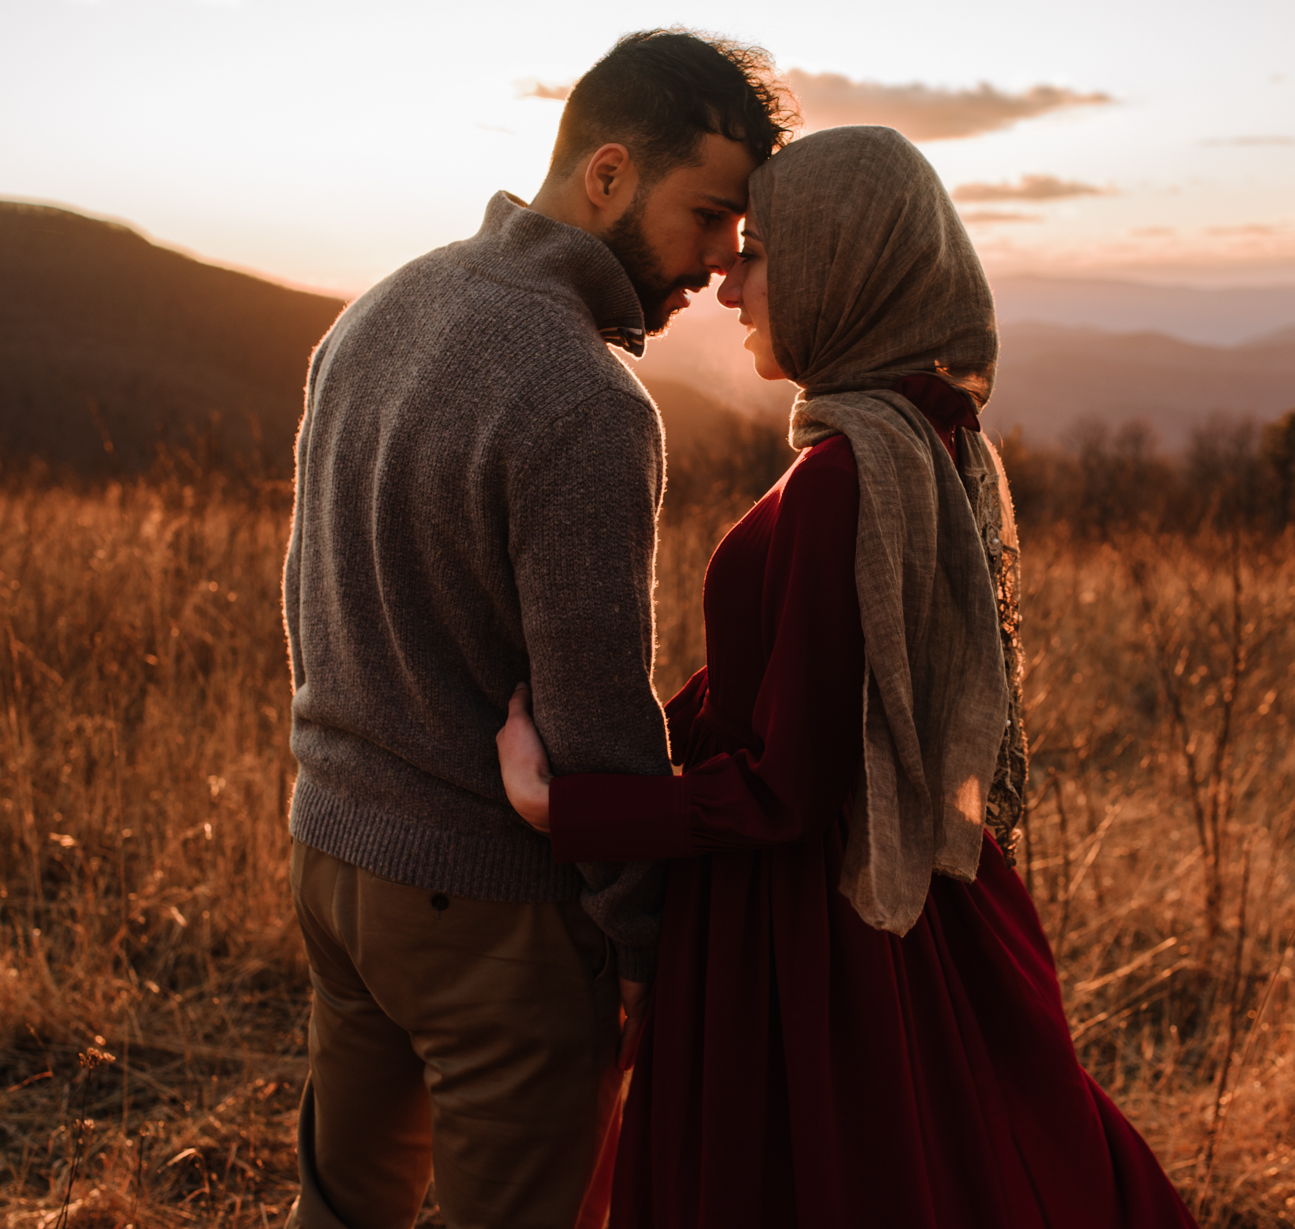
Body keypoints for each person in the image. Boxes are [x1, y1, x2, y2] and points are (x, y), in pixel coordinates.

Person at [498, 125, 1201, 1228]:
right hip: (887, 906)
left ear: (846, 266)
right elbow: (794, 680)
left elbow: (789, 782)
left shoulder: (847, 472)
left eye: (762, 254)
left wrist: (567, 801)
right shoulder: (920, 435)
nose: (728, 283)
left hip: (808, 933)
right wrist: (642, 727)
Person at [281, 29, 796, 1229]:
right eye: (708, 215)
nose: (717, 264)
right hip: (489, 910)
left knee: (339, 1207)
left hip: (332, 856)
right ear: (607, 174)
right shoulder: (585, 396)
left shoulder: (377, 307)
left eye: (739, 232)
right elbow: (593, 716)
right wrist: (645, 940)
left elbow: (312, 595)